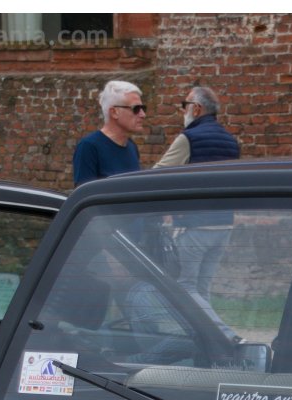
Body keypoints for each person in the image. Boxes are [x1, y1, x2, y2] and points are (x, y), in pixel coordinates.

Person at [152, 87, 241, 331]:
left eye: (185, 105)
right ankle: (205, 340)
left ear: (196, 109)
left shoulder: (189, 138)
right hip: (224, 224)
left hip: (195, 224)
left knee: (185, 287)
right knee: (202, 290)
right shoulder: (230, 141)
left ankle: (226, 336)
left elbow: (158, 175)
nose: (183, 111)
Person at [73, 80, 145, 186]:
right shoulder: (89, 147)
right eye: (136, 109)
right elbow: (84, 193)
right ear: (114, 112)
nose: (142, 114)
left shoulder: (131, 146)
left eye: (143, 108)